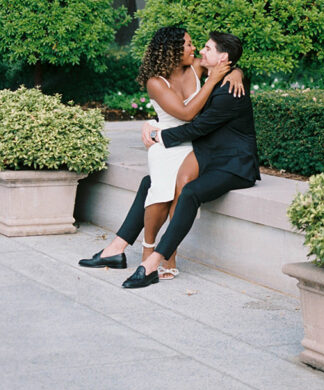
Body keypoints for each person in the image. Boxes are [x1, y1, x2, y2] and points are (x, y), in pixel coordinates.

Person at [79, 32, 260, 288]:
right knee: (150, 184)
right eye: (192, 45)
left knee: (182, 190)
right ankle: (124, 250)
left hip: (223, 158)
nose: (198, 50)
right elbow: (186, 114)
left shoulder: (227, 87)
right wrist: (154, 127)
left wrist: (158, 134)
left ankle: (156, 259)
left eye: (205, 47)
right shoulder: (181, 79)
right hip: (200, 150)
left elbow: (195, 125)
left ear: (222, 58)